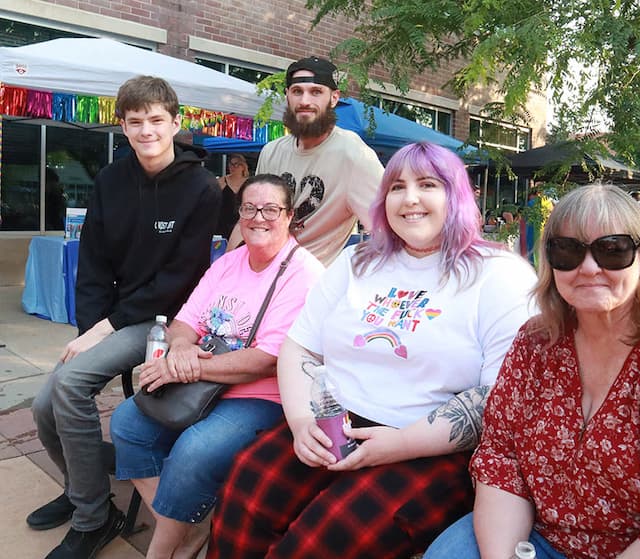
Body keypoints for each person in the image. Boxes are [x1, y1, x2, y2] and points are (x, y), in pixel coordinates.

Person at [206, 142, 538, 559]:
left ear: (456, 195)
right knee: (245, 492)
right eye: (397, 186)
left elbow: (498, 397)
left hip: (428, 448)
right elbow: (299, 347)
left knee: (319, 543)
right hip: (334, 424)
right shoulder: (357, 261)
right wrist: (301, 420)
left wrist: (396, 444)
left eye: (428, 184)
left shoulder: (500, 275)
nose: (410, 197)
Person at [425, 183, 640, 559]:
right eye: (568, 250)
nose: (588, 268)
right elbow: (502, 459)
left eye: (612, 250)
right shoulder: (536, 342)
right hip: (543, 535)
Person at [28, 76, 222, 559]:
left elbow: (179, 280)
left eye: (156, 120)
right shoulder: (111, 179)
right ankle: (83, 490)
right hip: (112, 318)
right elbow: (92, 263)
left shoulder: (201, 187)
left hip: (166, 320)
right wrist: (88, 330)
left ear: (175, 123)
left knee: (70, 387)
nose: (146, 131)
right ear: (123, 126)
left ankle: (94, 519)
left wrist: (104, 330)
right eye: (135, 122)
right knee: (44, 404)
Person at [110, 174, 324, 559]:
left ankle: (159, 552)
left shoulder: (304, 274)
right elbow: (183, 324)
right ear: (239, 214)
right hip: (203, 382)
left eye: (271, 209)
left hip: (264, 395)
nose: (259, 217)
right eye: (249, 208)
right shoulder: (228, 262)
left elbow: (267, 359)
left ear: (290, 216)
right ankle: (191, 529)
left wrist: (188, 368)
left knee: (195, 451)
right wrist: (179, 352)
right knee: (127, 422)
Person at [226, 56, 384, 266]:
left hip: (311, 287)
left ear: (334, 98)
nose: (305, 101)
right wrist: (226, 271)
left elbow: (387, 232)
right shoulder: (272, 151)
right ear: (287, 96)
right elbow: (247, 220)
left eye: (316, 92)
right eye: (297, 91)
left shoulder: (354, 155)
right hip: (260, 275)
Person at [214, 153, 250, 238]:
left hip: (243, 220)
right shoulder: (222, 181)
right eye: (231, 164)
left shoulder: (250, 182)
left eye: (236, 164)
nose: (233, 167)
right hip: (223, 222)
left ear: (243, 166)